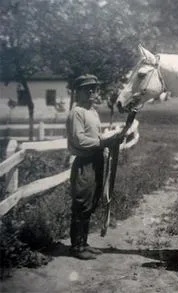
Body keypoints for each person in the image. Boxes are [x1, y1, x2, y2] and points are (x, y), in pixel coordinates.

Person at [66, 74, 121, 260]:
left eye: (94, 88)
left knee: (91, 202)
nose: (91, 92)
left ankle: (84, 243)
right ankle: (76, 246)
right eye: (86, 88)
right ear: (78, 92)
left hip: (97, 161)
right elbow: (79, 140)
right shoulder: (77, 112)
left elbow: (96, 135)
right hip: (84, 163)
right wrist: (103, 142)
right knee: (81, 203)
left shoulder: (93, 111)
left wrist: (106, 143)